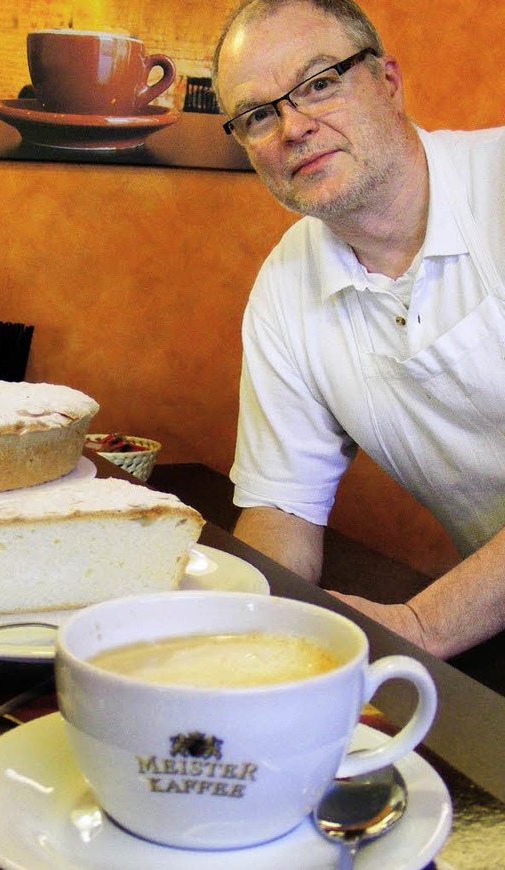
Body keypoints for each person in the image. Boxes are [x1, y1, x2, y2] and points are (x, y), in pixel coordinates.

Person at [212, 0, 505, 659]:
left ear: (388, 83)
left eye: (319, 83)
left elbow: (427, 627)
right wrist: (244, 637)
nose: (294, 127)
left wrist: (424, 626)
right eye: (259, 114)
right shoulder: (285, 288)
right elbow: (280, 512)